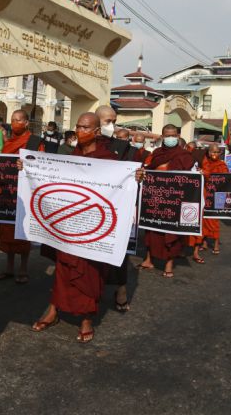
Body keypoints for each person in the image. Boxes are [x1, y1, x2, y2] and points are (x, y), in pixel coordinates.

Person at [29, 112, 125, 342]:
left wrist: (135, 177)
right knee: (63, 267)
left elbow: (119, 185)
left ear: (97, 131)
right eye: (78, 127)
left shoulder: (108, 159)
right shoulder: (70, 157)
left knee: (89, 270)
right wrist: (29, 168)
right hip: (69, 223)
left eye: (85, 127)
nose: (80, 131)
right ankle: (54, 310)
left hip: (92, 224)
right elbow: (52, 179)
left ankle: (86, 319)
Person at [138, 124, 195, 278]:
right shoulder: (156, 153)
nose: (170, 138)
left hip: (173, 199)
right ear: (162, 137)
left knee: (170, 232)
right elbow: (148, 169)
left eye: (173, 136)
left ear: (178, 136)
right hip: (155, 197)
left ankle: (169, 264)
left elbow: (188, 177)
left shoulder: (184, 155)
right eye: (167, 135)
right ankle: (148, 259)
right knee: (151, 229)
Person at [0, 109, 41, 284]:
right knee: (7, 230)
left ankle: (23, 268)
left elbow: (41, 165)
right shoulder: (8, 142)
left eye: (19, 120)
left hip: (25, 193)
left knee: (23, 232)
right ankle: (9, 267)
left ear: (26, 123)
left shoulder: (35, 142)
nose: (15, 123)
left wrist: (27, 165)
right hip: (8, 193)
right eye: (13, 120)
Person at [95, 105, 133, 311]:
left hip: (114, 204)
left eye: (114, 121)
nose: (112, 125)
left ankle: (121, 289)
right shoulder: (85, 144)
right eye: (107, 121)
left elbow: (129, 173)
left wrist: (137, 175)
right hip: (90, 205)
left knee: (118, 249)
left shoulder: (122, 147)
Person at [189, 143, 229, 261]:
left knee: (214, 220)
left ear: (220, 153)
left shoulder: (222, 165)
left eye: (216, 152)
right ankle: (204, 242)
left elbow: (224, 179)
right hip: (205, 193)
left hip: (216, 195)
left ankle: (216, 243)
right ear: (208, 152)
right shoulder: (204, 162)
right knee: (204, 220)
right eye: (212, 152)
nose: (214, 154)